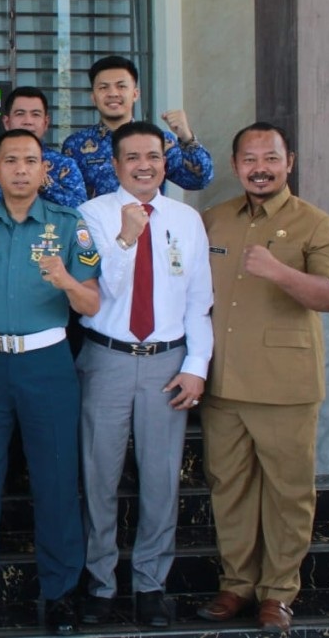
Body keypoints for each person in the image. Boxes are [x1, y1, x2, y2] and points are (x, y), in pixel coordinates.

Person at [0, 129, 101, 635]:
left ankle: (60, 592)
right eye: (9, 160)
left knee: (56, 480)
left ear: (44, 170)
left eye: (29, 161)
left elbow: (92, 304)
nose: (19, 170)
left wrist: (67, 282)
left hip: (47, 365)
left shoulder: (68, 227)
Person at [195, 122, 329, 635]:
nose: (260, 168)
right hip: (223, 384)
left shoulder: (315, 223)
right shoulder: (214, 219)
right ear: (236, 165)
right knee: (229, 488)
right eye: (250, 159)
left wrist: (280, 271)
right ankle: (237, 584)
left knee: (288, 493)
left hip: (285, 386)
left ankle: (279, 592)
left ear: (290, 163)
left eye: (271, 158)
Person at [75, 121, 213, 628]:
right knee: (99, 474)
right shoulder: (91, 213)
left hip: (167, 361)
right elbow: (93, 289)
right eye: (132, 157)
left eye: (153, 156)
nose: (144, 165)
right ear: (115, 165)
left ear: (165, 161)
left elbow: (199, 301)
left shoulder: (186, 219)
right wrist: (126, 239)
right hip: (107, 358)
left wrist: (196, 367)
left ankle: (151, 582)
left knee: (160, 476)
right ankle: (101, 580)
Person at [61, 56, 214, 199]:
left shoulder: (159, 140)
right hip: (96, 226)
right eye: (103, 87)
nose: (113, 93)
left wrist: (186, 138)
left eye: (121, 86)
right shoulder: (76, 144)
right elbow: (69, 197)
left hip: (148, 224)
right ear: (93, 97)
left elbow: (199, 180)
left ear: (135, 94)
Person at [0, 85, 87, 208]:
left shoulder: (65, 165)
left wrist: (46, 186)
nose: (28, 121)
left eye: (35, 114)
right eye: (20, 114)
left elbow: (81, 210)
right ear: (7, 122)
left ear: (46, 123)